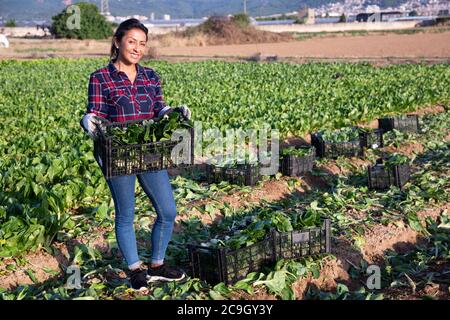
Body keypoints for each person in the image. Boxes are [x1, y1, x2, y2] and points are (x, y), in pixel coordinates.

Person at [80, 18, 191, 290]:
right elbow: (97, 114)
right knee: (125, 214)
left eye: (142, 44)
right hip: (117, 153)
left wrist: (174, 113)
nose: (137, 48)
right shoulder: (100, 78)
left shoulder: (151, 76)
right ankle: (134, 269)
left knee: (167, 210)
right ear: (117, 42)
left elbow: (158, 110)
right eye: (132, 41)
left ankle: (157, 265)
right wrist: (88, 120)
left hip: (149, 152)